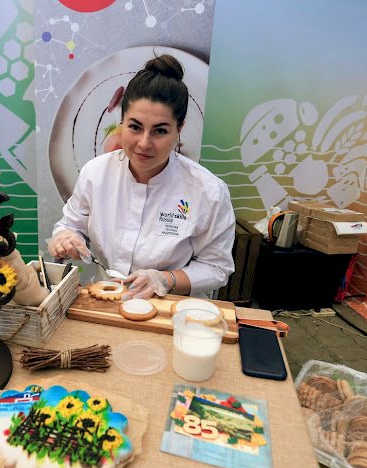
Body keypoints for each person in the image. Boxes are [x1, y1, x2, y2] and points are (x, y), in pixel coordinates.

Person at [48, 54, 235, 299]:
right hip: (108, 301)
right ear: (122, 121)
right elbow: (71, 225)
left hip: (172, 307)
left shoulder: (207, 190)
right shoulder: (95, 174)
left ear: (179, 129)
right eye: (135, 127)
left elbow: (217, 268)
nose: (144, 143)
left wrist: (165, 279)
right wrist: (66, 237)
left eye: (160, 131)